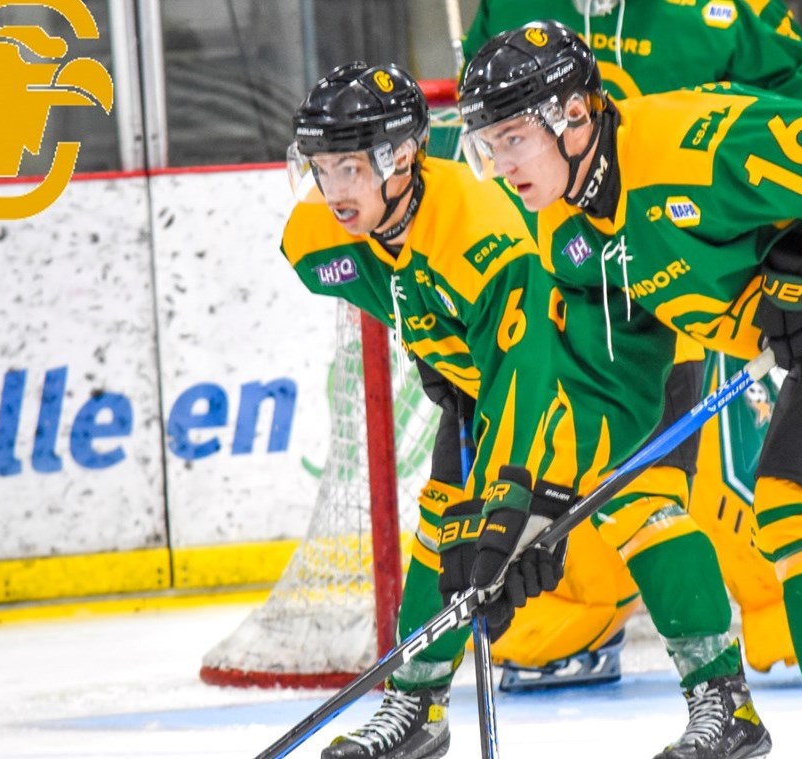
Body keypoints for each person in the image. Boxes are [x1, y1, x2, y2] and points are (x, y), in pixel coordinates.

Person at [459, 21, 802, 758]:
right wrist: (534, 512)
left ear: (573, 116)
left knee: (798, 502)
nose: (499, 166)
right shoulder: (568, 235)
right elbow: (606, 385)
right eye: (485, 147)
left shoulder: (688, 141)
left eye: (512, 140)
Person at [280, 61, 769, 759]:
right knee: (446, 514)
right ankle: (414, 707)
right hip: (505, 369)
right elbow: (401, 289)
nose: (334, 192)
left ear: (403, 158)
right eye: (322, 170)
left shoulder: (484, 240)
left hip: (619, 347)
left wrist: (512, 505)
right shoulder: (318, 238)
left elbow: (531, 373)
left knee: (638, 506)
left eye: (351, 169)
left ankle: (726, 703)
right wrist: (436, 345)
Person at [459, 0, 802, 678]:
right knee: (596, 460)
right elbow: (490, 131)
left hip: (700, 260)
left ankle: (788, 609)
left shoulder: (720, 11)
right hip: (578, 270)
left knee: (731, 471)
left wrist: (786, 228)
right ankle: (583, 615)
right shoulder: (512, 12)